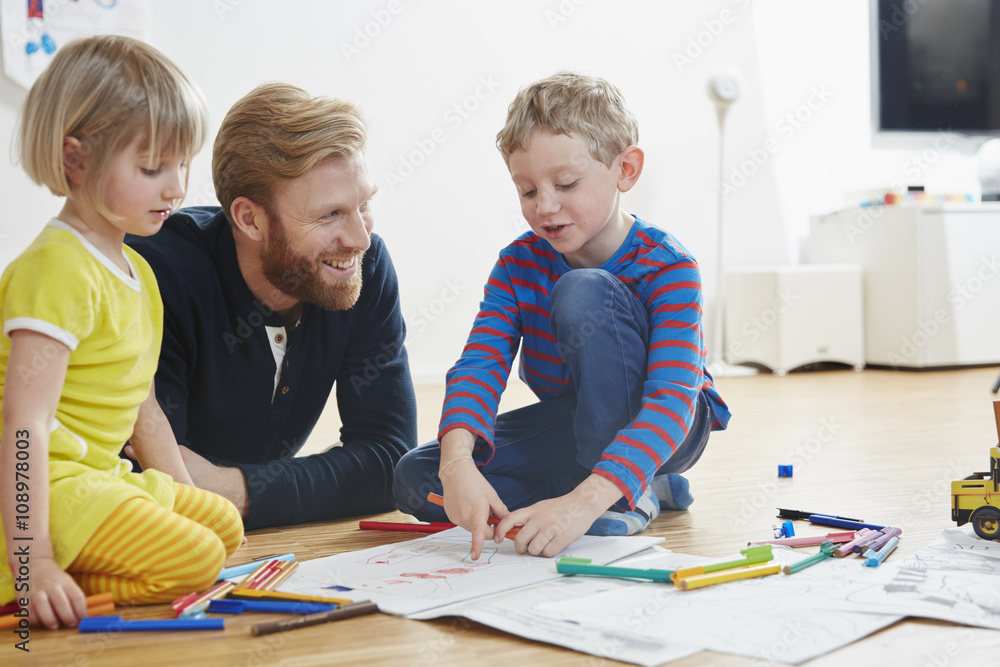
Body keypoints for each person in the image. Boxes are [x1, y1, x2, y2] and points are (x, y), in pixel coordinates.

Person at [393, 71, 731, 559]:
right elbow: (481, 363)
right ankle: (628, 489)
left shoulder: (669, 266)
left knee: (582, 290)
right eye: (527, 191)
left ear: (626, 170)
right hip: (572, 422)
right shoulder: (517, 263)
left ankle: (613, 490)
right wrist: (457, 461)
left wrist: (584, 504)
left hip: (670, 427)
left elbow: (674, 398)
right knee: (417, 477)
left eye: (566, 183)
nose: (544, 206)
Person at [0, 35, 244, 629]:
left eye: (182, 163)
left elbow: (146, 414)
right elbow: (23, 426)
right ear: (77, 161)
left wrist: (194, 503)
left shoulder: (137, 272)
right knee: (198, 557)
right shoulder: (57, 268)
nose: (176, 187)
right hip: (54, 487)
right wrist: (37, 561)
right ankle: (27, 583)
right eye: (151, 167)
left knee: (224, 525)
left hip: (100, 480)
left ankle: (93, 565)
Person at [126, 83, 417, 531]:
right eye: (330, 215)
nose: (360, 238)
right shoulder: (156, 275)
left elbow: (390, 461)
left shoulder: (363, 266)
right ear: (249, 219)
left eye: (364, 205)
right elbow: (150, 480)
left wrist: (234, 488)